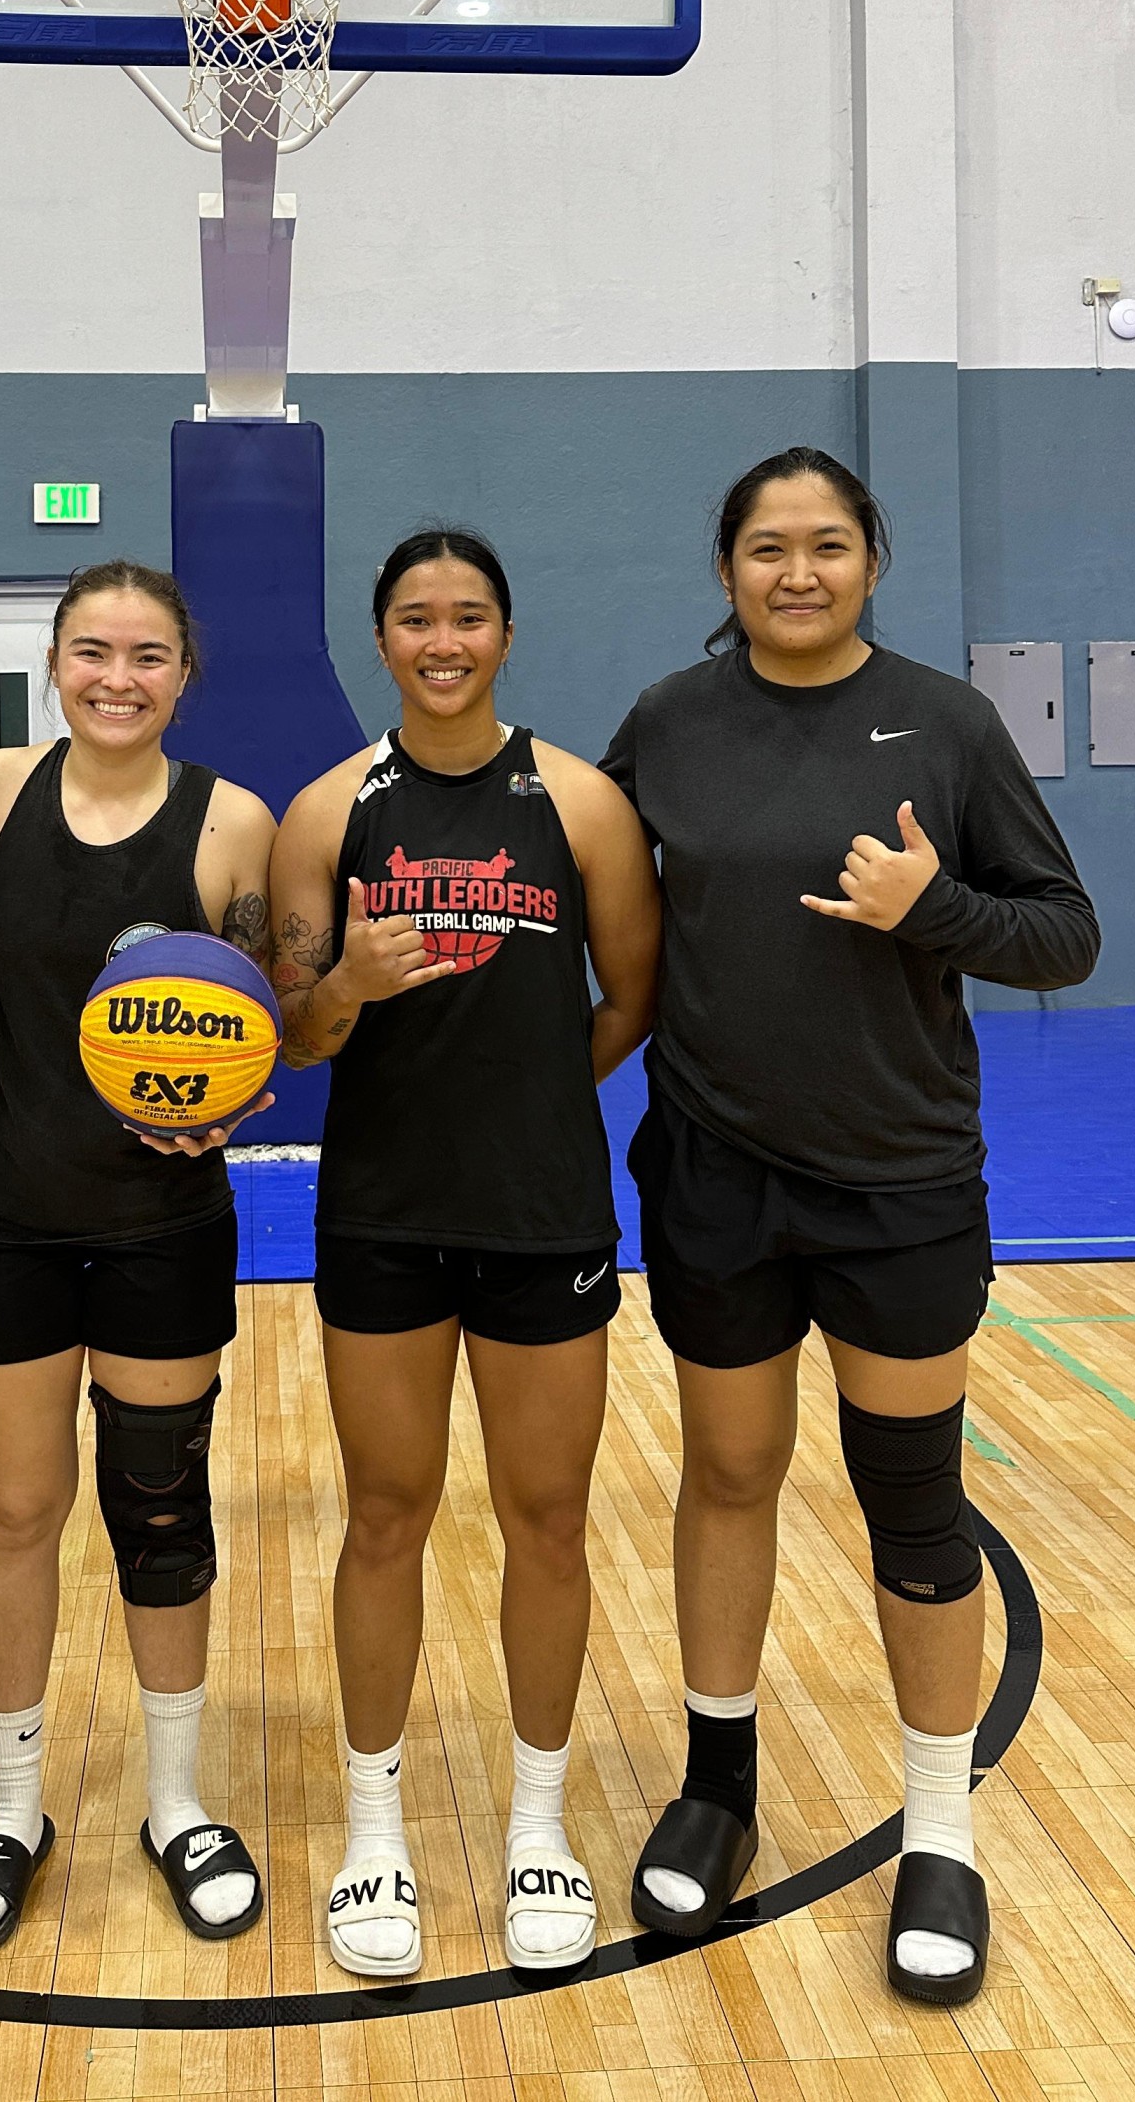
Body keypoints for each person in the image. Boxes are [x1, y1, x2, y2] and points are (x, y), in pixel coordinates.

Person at [602, 448, 1099, 2006]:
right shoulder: (668, 726)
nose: (795, 571)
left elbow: (1064, 934)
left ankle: (941, 1828)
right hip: (715, 1174)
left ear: (872, 557)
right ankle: (719, 1779)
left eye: (825, 544)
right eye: (766, 546)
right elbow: (602, 915)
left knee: (913, 1503)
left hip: (897, 1180)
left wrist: (932, 908)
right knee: (730, 1470)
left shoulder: (947, 722)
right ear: (727, 565)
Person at [269, 529, 660, 1981]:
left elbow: (630, 996)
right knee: (386, 1512)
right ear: (382, 640)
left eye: (470, 616)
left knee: (545, 1517)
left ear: (507, 631)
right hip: (379, 1213)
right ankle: (376, 1833)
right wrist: (349, 988)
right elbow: (297, 1032)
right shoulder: (329, 811)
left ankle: (539, 1827)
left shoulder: (583, 803)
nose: (445, 639)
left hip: (544, 1213)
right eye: (417, 619)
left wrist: (542, 1096)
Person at [0, 561, 277, 1955]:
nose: (116, 675)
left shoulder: (232, 820)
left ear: (184, 673)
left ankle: (176, 1800)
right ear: (56, 661)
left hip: (160, 1222)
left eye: (146, 654)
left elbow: (262, 1007)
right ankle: (13, 1808)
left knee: (160, 1503)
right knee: (16, 1508)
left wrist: (233, 1104)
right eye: (91, 650)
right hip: (5, 1213)